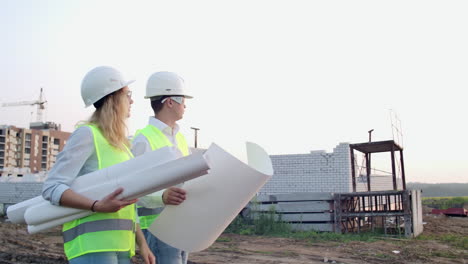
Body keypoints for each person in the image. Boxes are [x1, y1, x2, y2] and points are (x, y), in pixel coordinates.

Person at [42, 66, 155, 264]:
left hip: (121, 247)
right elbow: (52, 187)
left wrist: (142, 245)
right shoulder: (87, 135)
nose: (132, 100)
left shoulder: (122, 146)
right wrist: (96, 206)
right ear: (113, 98)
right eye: (127, 94)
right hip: (92, 247)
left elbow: (127, 203)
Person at [131, 71, 192, 264]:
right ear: (170, 102)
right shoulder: (143, 139)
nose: (185, 105)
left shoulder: (180, 138)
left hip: (180, 227)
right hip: (157, 229)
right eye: (182, 99)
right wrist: (161, 197)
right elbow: (132, 188)